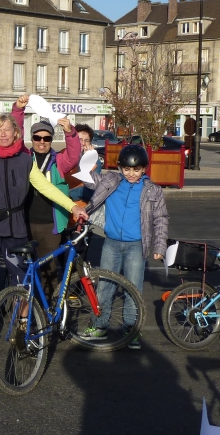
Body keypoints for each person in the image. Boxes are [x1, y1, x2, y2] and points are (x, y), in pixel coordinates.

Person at [0, 112, 87, 320]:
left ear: (16, 132)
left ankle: (23, 322)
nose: (3, 134)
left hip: (15, 226)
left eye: (7, 130)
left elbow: (46, 187)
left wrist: (72, 207)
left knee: (21, 278)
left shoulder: (26, 161)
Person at [82, 144, 168, 349]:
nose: (131, 173)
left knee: (133, 288)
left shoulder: (152, 190)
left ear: (144, 169)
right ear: (120, 167)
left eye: (136, 169)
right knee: (105, 285)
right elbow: (86, 177)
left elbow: (161, 218)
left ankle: (130, 329)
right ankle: (100, 326)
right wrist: (86, 154)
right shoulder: (111, 180)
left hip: (136, 246)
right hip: (110, 243)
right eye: (127, 169)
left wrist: (160, 246)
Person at [10, 95, 81, 291]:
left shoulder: (59, 161)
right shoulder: (24, 157)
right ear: (31, 139)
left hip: (51, 225)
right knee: (23, 269)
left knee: (48, 270)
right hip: (25, 223)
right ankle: (27, 308)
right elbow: (15, 135)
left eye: (47, 138)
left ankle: (49, 311)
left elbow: (74, 155)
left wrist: (71, 133)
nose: (42, 142)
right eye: (37, 138)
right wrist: (18, 109)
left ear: (51, 139)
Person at [69, 123, 101, 203]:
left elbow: (91, 189)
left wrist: (87, 160)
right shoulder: (63, 156)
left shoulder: (95, 161)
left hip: (81, 205)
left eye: (86, 141)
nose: (83, 143)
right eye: (80, 139)